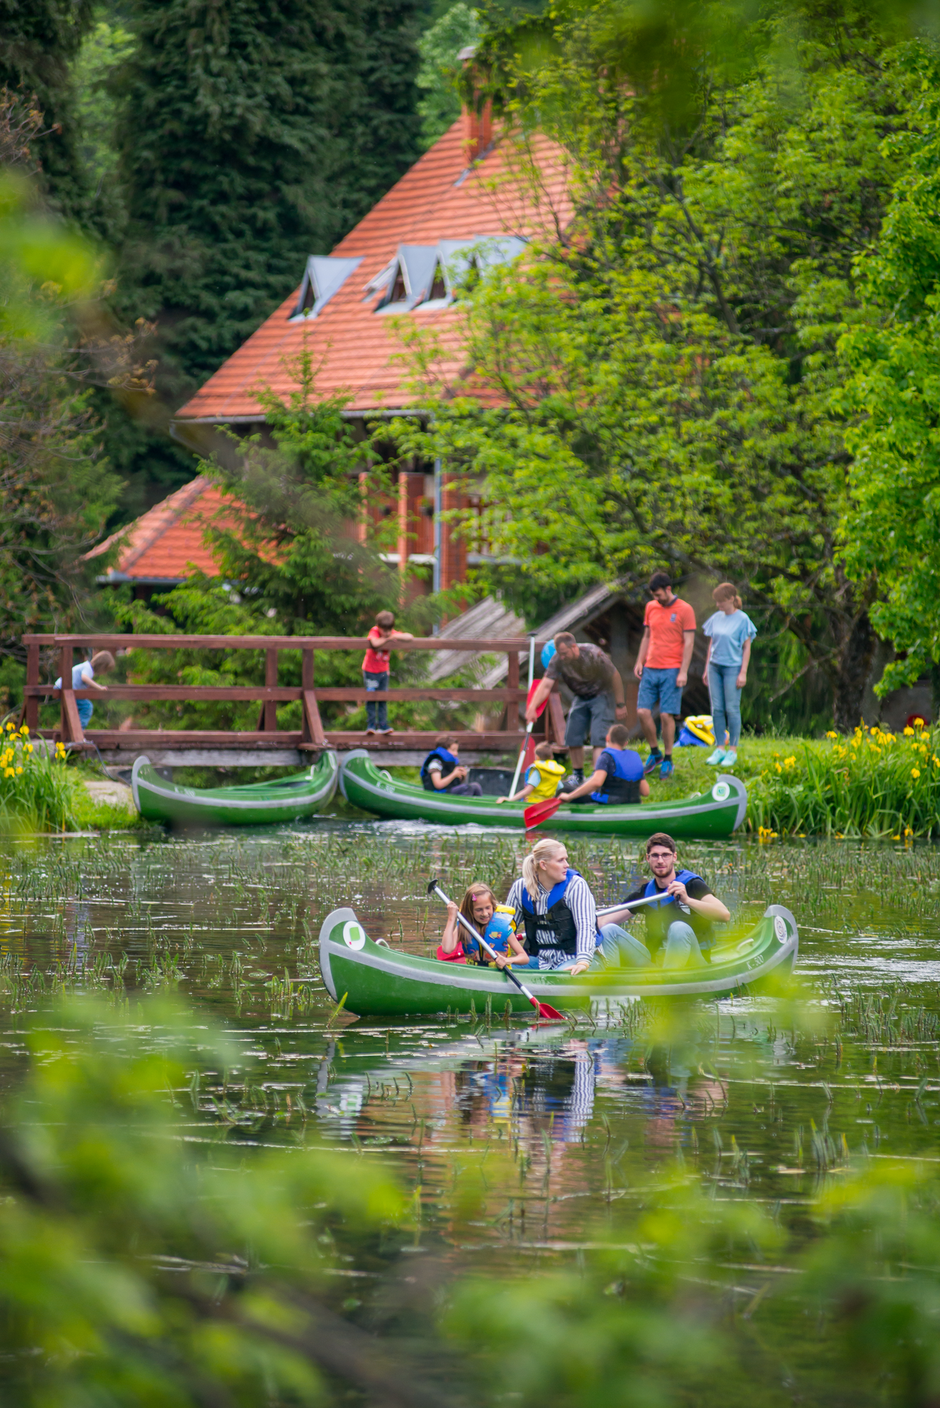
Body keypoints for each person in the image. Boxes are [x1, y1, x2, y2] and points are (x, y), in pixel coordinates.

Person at [598, 832, 730, 970]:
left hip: (694, 964)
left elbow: (724, 915)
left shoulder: (692, 885)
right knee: (609, 930)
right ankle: (612, 983)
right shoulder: (646, 893)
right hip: (655, 965)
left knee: (678, 927)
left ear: (674, 857)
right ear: (648, 858)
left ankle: (669, 981)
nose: (660, 860)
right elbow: (603, 921)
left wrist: (688, 900)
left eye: (665, 855)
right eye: (655, 855)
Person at [525, 633, 627, 787]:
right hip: (581, 696)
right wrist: (532, 707)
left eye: (565, 653)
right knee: (572, 734)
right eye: (560, 654)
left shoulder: (594, 654)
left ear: (574, 647)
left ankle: (596, 777)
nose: (562, 657)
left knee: (598, 736)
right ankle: (578, 776)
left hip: (602, 695)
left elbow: (615, 676)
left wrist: (620, 704)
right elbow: (546, 684)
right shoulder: (558, 659)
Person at [634, 572, 696, 780]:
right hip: (651, 667)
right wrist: (639, 661)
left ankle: (668, 758)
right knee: (643, 712)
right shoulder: (651, 607)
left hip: (672, 668)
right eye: (654, 595)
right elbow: (647, 636)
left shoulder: (685, 610)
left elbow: (689, 643)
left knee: (665, 715)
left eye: (659, 595)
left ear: (668, 589)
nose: (656, 599)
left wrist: (683, 671)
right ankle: (655, 753)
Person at [506, 838, 599, 974]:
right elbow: (506, 927)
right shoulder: (520, 888)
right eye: (561, 860)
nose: (566, 865)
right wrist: (496, 955)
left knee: (560, 976)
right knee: (500, 969)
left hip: (574, 958)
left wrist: (583, 962)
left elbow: (586, 927)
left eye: (566, 859)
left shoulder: (576, 886)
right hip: (539, 960)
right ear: (543, 865)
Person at [701, 582, 757, 767]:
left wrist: (743, 672)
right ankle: (719, 748)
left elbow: (747, 647)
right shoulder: (716, 618)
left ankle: (732, 750)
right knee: (717, 709)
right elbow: (711, 644)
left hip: (733, 668)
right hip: (714, 667)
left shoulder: (743, 620)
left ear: (732, 599)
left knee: (731, 709)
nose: (718, 605)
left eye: (721, 602)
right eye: (716, 602)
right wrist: (706, 669)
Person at [437, 884, 530, 966]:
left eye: (488, 908)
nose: (485, 913)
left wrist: (507, 960)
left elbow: (524, 957)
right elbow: (447, 949)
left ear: (493, 906)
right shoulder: (464, 926)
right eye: (479, 910)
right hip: (473, 973)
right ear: (470, 910)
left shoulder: (503, 928)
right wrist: (451, 918)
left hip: (498, 974)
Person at [560, 723, 650, 805]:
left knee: (565, 790)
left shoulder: (606, 757)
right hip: (634, 802)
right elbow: (645, 792)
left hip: (610, 803)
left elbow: (596, 782)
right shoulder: (635, 757)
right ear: (625, 743)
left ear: (607, 738)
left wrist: (569, 796)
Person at [362, 610, 413, 735]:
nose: (387, 633)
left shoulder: (391, 633)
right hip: (370, 671)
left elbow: (409, 637)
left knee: (383, 698)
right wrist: (388, 639)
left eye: (390, 630)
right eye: (384, 631)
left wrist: (393, 636)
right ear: (378, 627)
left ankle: (383, 724)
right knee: (371, 698)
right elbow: (374, 643)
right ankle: (371, 724)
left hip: (384, 672)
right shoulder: (374, 631)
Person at [53, 651, 115, 728]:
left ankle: (72, 729)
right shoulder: (88, 668)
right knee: (87, 707)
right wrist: (100, 687)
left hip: (62, 687)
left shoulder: (87, 667)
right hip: (64, 689)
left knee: (76, 710)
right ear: (102, 666)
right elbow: (84, 677)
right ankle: (79, 729)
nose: (105, 673)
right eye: (105, 670)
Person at [496, 741, 566, 804]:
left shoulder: (539, 770)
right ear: (551, 756)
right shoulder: (555, 771)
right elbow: (559, 788)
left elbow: (528, 790)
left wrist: (510, 799)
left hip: (533, 804)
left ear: (537, 757)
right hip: (546, 804)